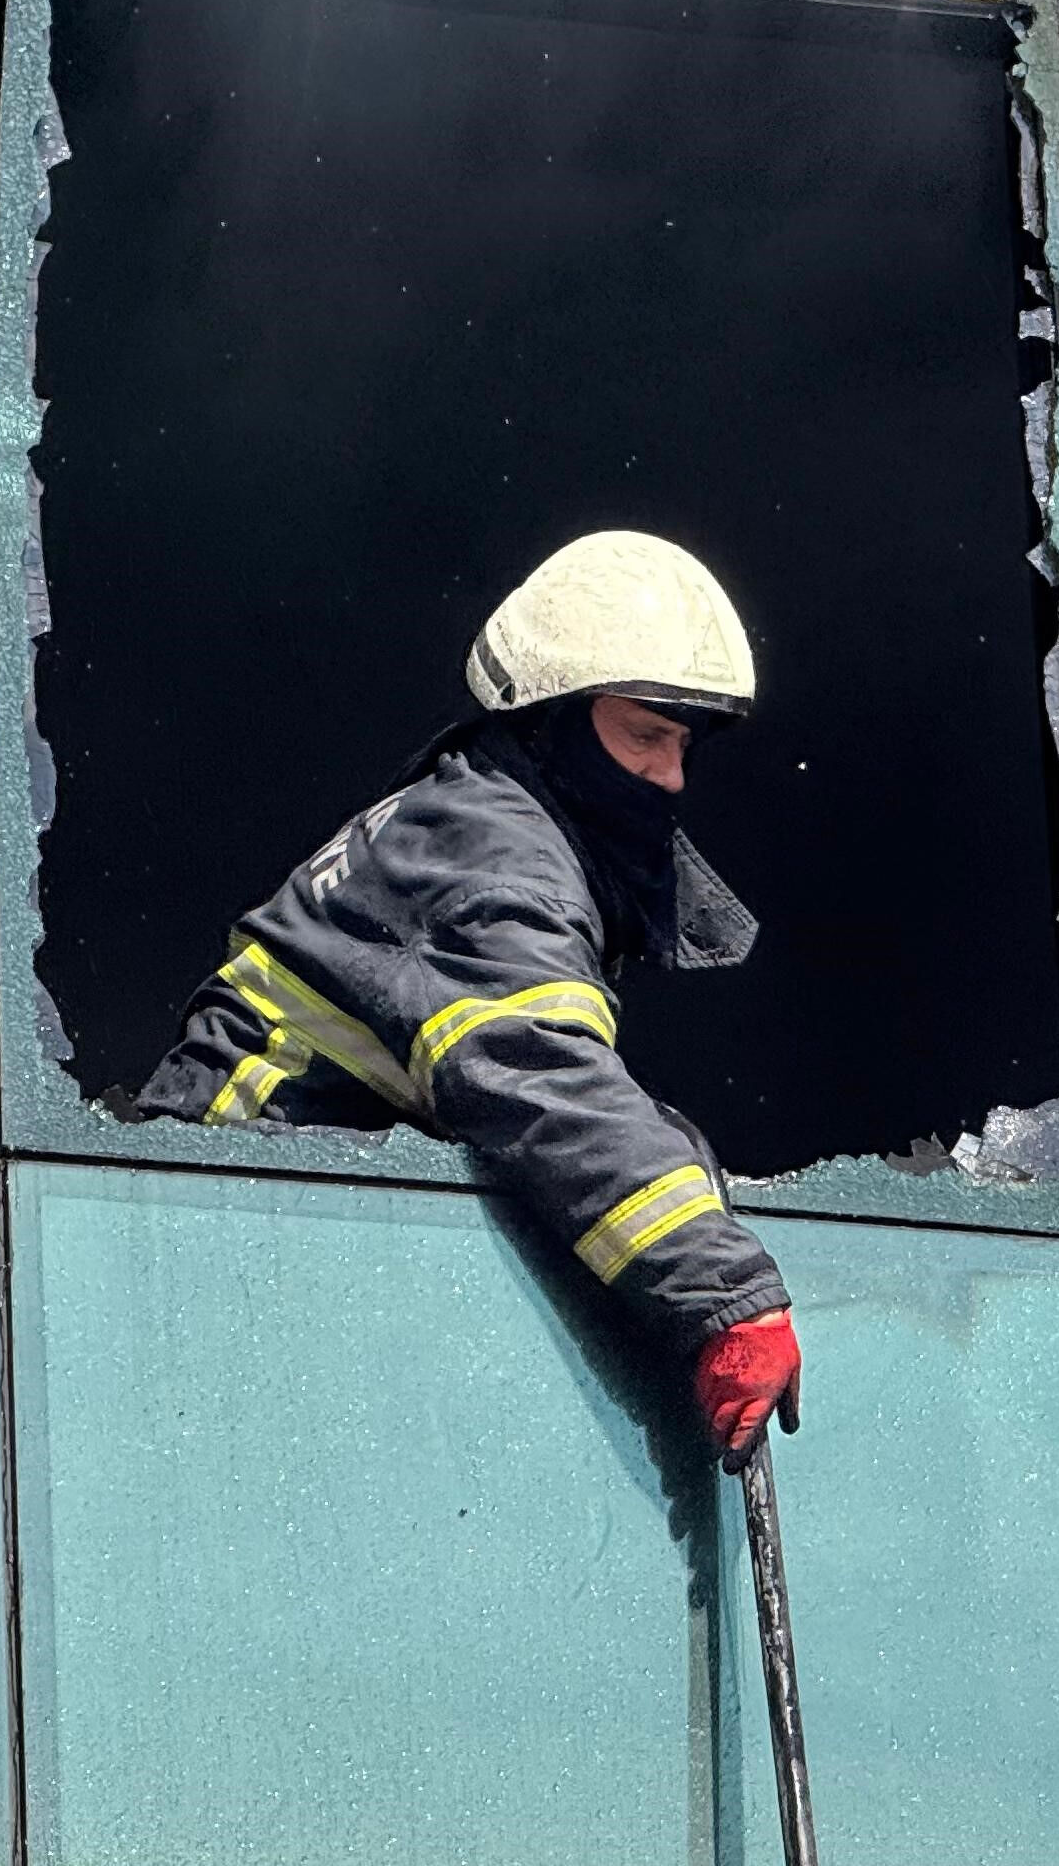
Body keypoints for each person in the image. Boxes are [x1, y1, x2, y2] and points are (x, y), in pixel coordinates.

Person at [132, 530, 800, 1458]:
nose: (672, 775)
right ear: (549, 717)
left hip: (243, 1231)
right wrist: (727, 1294)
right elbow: (538, 1073)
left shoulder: (468, 809)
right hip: (231, 1233)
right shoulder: (498, 866)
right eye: (646, 735)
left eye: (682, 744)